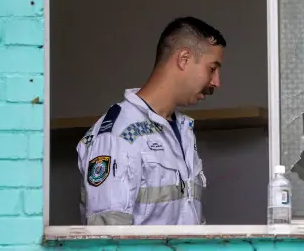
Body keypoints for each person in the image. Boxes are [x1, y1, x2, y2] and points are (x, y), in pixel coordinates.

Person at [76, 17, 226, 225]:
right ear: (183, 59)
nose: (216, 82)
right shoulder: (118, 135)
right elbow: (108, 241)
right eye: (212, 69)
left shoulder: (181, 131)